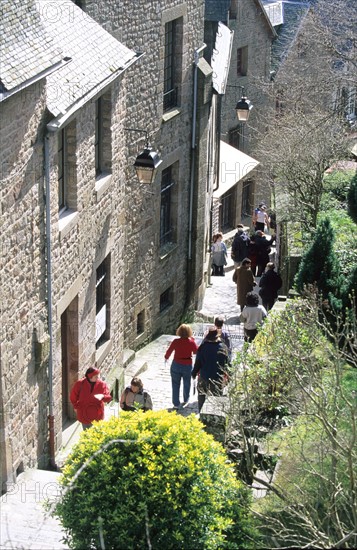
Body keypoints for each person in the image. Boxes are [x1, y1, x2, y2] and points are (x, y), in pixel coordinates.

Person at [192, 326, 230, 412]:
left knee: (201, 396)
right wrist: (228, 376)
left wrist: (194, 373)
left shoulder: (202, 347)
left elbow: (198, 363)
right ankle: (215, 415)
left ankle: (201, 413)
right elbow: (227, 363)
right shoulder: (222, 347)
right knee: (216, 399)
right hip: (217, 378)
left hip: (204, 377)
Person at [164, 324, 198, 409]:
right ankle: (186, 399)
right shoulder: (191, 342)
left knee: (175, 384)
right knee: (187, 383)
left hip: (176, 364)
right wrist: (193, 341)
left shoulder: (175, 341)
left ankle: (176, 403)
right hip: (187, 365)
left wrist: (166, 358)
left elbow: (169, 352)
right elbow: (196, 351)